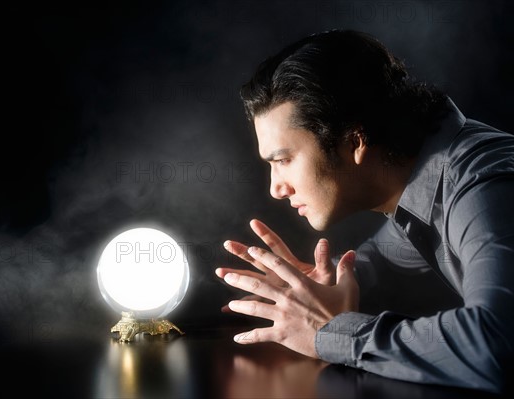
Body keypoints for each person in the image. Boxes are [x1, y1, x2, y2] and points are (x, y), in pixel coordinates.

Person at [215, 29, 514, 393]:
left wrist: (331, 332)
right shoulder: (423, 186)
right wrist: (310, 287)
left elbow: (498, 345)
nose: (276, 188)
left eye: (285, 160)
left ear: (355, 141)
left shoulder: (483, 184)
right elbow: (380, 263)